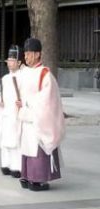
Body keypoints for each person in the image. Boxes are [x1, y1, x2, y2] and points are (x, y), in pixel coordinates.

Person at [16, 38, 65, 191]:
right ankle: (27, 176)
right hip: (26, 116)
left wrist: (27, 104)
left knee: (37, 146)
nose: (26, 57)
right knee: (27, 147)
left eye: (29, 53)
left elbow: (48, 100)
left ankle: (37, 179)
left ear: (38, 54)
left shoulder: (45, 74)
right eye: (25, 54)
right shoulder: (24, 73)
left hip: (37, 118)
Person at [0, 45, 24, 178]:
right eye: (8, 60)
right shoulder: (5, 78)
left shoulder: (23, 77)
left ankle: (17, 166)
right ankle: (5, 164)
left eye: (12, 60)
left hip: (16, 113)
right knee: (5, 138)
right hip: (5, 113)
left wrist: (22, 103)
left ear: (19, 62)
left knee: (16, 140)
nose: (9, 63)